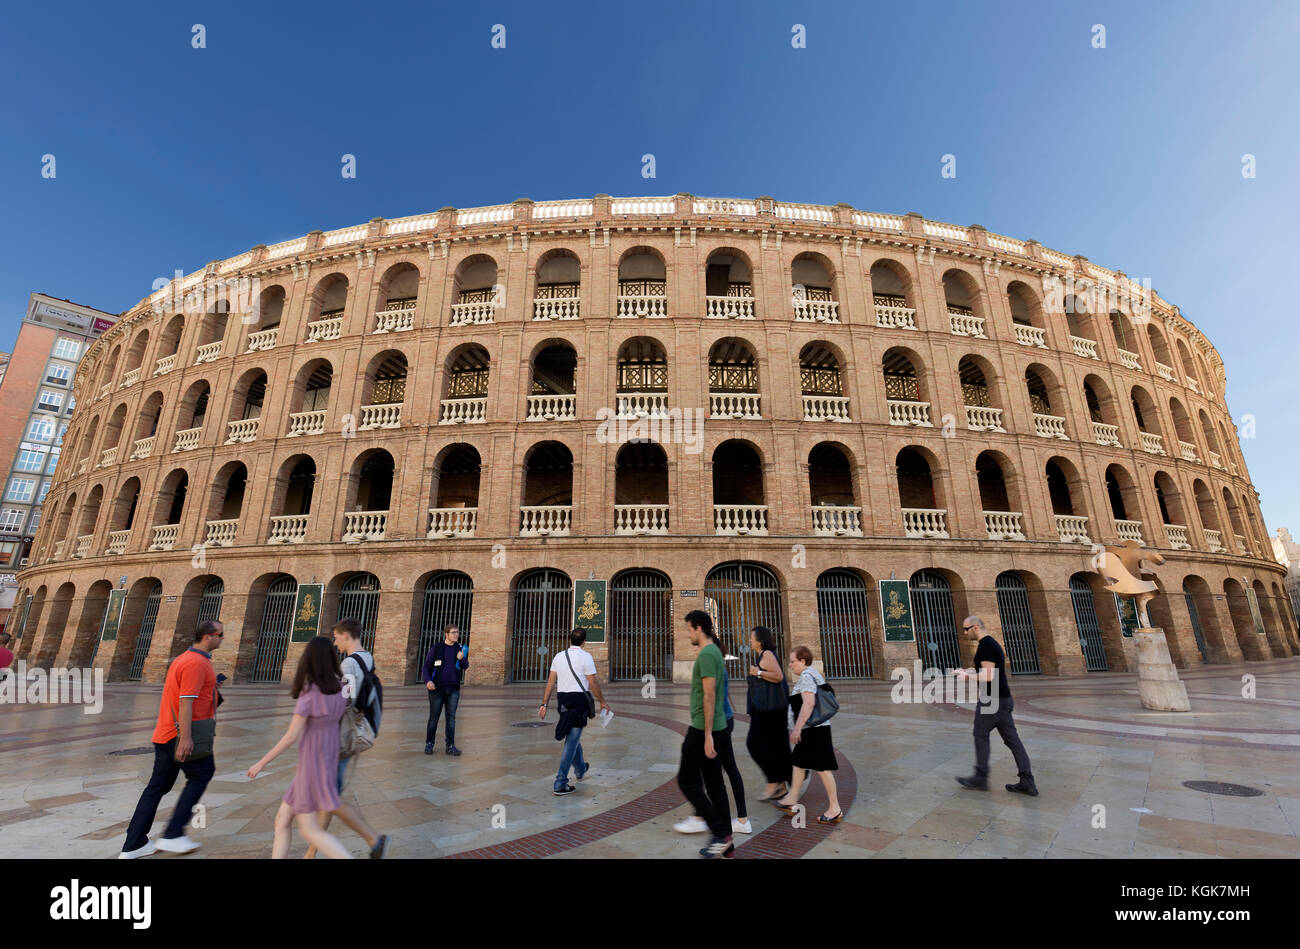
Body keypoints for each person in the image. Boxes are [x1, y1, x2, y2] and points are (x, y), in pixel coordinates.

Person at [119, 621, 224, 859]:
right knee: (202, 774)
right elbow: (185, 702)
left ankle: (133, 844)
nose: (222, 639)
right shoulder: (196, 663)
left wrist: (211, 687)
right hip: (180, 736)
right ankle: (173, 834)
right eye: (220, 635)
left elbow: (191, 695)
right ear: (208, 637)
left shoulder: (189, 659)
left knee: (157, 787)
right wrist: (185, 739)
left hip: (167, 734)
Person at [247, 636, 352, 859]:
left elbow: (291, 736)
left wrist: (261, 762)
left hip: (311, 764)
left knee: (309, 830)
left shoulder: (311, 692)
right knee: (282, 820)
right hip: (328, 758)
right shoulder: (343, 687)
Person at [304, 619, 389, 859]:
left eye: (337, 637)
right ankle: (311, 852)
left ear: (345, 635)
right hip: (351, 733)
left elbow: (344, 700)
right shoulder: (367, 657)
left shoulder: (350, 663)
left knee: (328, 795)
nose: (335, 642)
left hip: (340, 736)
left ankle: (374, 840)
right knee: (329, 795)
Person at [954, 616, 1038, 795]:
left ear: (975, 627)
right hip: (1003, 699)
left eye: (966, 629)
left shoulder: (986, 646)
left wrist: (968, 677)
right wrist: (966, 671)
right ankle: (1027, 781)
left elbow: (988, 675)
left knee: (980, 734)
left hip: (992, 700)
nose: (964, 633)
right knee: (1013, 741)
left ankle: (980, 777)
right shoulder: (991, 644)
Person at [677, 609, 734, 858]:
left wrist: (708, 734)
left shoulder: (708, 654)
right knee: (714, 785)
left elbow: (710, 697)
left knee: (687, 780)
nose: (688, 633)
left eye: (689, 629)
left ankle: (720, 833)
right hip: (713, 728)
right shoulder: (711, 652)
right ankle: (727, 843)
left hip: (703, 729)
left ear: (699, 628)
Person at [674, 668, 750, 836]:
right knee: (725, 769)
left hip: (718, 722)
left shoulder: (711, 661)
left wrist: (707, 732)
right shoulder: (719, 664)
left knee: (707, 773)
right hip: (725, 718)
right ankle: (741, 820)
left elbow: (710, 697)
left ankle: (702, 818)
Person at [773, 645, 842, 823]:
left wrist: (796, 728)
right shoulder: (812, 673)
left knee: (822, 768)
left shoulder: (805, 676)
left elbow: (809, 703)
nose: (790, 665)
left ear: (803, 661)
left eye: (793, 661)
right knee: (798, 762)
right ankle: (792, 798)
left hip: (814, 729)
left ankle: (835, 808)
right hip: (812, 728)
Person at [538, 628, 608, 794]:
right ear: (584, 642)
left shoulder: (559, 656)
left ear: (570, 640)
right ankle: (560, 782)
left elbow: (550, 682)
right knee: (572, 741)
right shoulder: (586, 657)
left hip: (563, 700)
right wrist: (602, 701)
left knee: (573, 736)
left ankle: (581, 768)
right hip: (579, 701)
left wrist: (544, 704)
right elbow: (592, 682)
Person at [745, 626, 792, 801]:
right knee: (774, 746)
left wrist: (758, 672)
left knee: (754, 743)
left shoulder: (767, 655)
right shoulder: (763, 655)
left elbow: (778, 676)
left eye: (752, 638)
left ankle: (773, 781)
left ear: (760, 640)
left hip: (770, 711)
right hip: (766, 710)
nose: (750, 641)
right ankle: (780, 785)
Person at [422, 623, 467, 755]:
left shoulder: (459, 648)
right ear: (446, 634)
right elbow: (426, 667)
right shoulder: (437, 648)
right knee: (433, 718)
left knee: (451, 718)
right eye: (453, 632)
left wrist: (462, 657)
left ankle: (450, 745)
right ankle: (429, 743)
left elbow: (465, 666)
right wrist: (428, 680)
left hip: (453, 689)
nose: (456, 634)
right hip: (437, 689)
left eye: (457, 632)